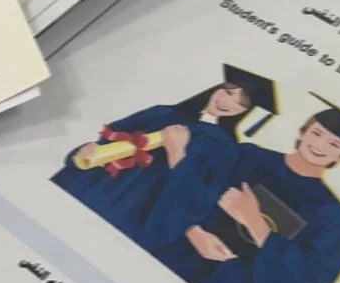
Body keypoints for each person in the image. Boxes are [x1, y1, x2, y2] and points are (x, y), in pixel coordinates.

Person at [155, 106, 340, 283]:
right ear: (302, 132)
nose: (320, 146)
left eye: (334, 144)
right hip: (182, 256)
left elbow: (310, 274)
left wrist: (255, 222)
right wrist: (192, 231)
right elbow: (189, 186)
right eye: (316, 133)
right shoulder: (248, 157)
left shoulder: (329, 213)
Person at [51, 66, 278, 250]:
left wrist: (177, 157)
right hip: (95, 192)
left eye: (240, 103)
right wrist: (82, 154)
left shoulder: (224, 149)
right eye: (227, 92)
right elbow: (103, 144)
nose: (227, 103)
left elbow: (200, 202)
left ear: (244, 112)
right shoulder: (162, 113)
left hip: (134, 216)